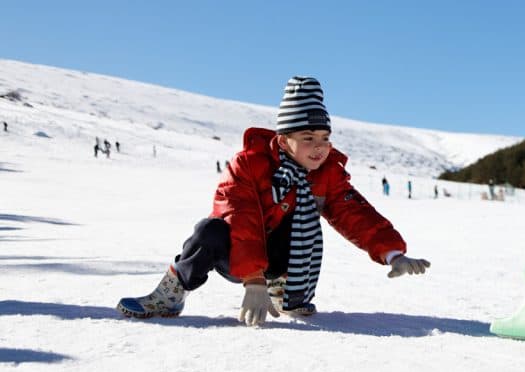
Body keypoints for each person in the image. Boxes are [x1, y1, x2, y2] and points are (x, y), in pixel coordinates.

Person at [117, 76, 431, 327]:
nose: (318, 147)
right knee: (208, 231)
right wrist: (253, 279)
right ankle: (170, 296)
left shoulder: (327, 173)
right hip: (235, 255)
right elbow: (241, 216)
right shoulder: (249, 164)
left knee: (299, 216)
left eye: (324, 138)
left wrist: (392, 254)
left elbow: (356, 213)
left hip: (279, 260)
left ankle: (286, 290)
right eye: (308, 138)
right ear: (283, 140)